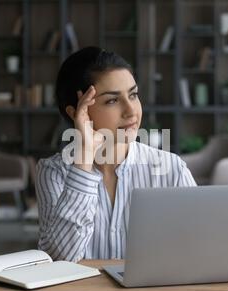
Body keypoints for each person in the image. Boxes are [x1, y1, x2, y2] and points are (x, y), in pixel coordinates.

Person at [35, 46, 197, 262]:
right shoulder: (52, 172)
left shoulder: (172, 169)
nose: (131, 111)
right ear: (77, 113)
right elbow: (58, 259)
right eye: (112, 100)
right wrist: (84, 158)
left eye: (133, 95)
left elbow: (199, 250)